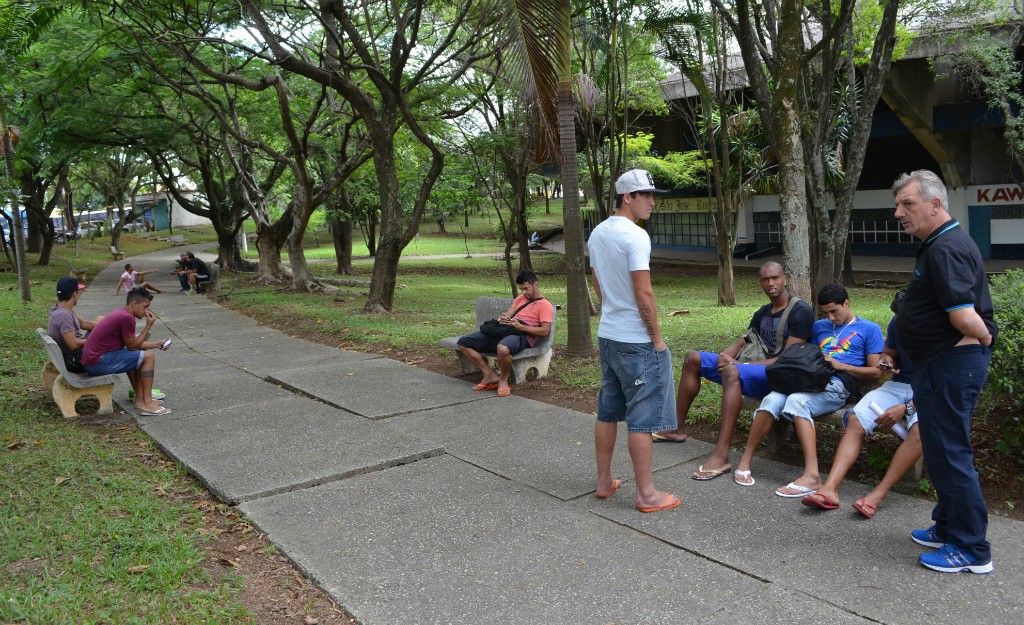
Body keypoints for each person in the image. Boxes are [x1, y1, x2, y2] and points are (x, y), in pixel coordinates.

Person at [893, 169, 997, 574]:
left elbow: (965, 316)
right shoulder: (936, 243)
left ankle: (972, 549)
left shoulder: (946, 249)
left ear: (935, 205)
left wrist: (984, 338)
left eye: (908, 204)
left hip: (950, 366)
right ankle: (948, 526)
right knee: (940, 450)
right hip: (937, 367)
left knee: (951, 454)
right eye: (898, 205)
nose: (899, 213)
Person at [653, 261, 814, 482]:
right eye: (765, 279)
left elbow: (787, 361)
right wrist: (725, 354)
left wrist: (739, 366)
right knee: (693, 358)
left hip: (779, 377)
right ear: (760, 283)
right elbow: (746, 338)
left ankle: (721, 456)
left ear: (784, 278)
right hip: (754, 370)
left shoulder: (800, 311)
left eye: (775, 277)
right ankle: (676, 429)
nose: (771, 283)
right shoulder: (763, 312)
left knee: (731, 372)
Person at [733, 282, 883, 497]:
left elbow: (876, 372)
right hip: (809, 379)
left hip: (840, 384)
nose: (830, 317)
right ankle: (746, 461)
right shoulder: (819, 327)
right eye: (825, 313)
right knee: (773, 399)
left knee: (797, 401)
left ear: (847, 303)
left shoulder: (869, 329)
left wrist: (842, 366)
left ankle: (812, 475)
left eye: (835, 311)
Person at [588, 169, 679, 513]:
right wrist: (656, 339)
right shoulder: (636, 236)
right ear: (627, 197)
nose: (652, 202)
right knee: (641, 417)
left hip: (609, 335)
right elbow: (644, 293)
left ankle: (603, 481)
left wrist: (610, 310)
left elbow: (597, 281)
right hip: (635, 341)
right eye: (646, 195)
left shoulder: (597, 232)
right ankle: (647, 495)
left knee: (608, 411)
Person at [801, 290, 921, 517]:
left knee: (921, 431)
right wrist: (887, 360)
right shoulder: (898, 322)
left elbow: (945, 381)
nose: (903, 324)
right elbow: (890, 353)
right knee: (856, 418)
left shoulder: (941, 331)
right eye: (900, 319)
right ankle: (829, 490)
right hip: (899, 384)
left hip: (931, 389)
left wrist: (907, 408)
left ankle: (877, 494)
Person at [456, 270, 554, 397]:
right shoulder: (520, 299)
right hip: (506, 330)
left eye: (526, 288)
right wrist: (503, 318)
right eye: (521, 289)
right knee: (463, 342)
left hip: (521, 335)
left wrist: (522, 327)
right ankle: (489, 375)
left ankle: (503, 379)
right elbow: (508, 314)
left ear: (535, 284)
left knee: (502, 348)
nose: (524, 292)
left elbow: (545, 331)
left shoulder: (545, 305)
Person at [82, 287, 171, 416]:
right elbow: (133, 346)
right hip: (96, 363)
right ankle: (147, 403)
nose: (146, 311)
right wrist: (148, 326)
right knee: (148, 357)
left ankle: (140, 399)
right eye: (145, 307)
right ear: (134, 304)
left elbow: (132, 344)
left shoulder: (121, 313)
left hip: (92, 361)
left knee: (139, 355)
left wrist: (158, 344)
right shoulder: (127, 318)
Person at [48, 277, 103, 373]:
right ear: (74, 294)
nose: (79, 294)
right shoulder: (64, 316)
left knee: (101, 319)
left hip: (74, 355)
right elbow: (73, 345)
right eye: (79, 292)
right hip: (74, 360)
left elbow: (84, 323)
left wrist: (107, 326)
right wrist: (96, 340)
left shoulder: (61, 309)